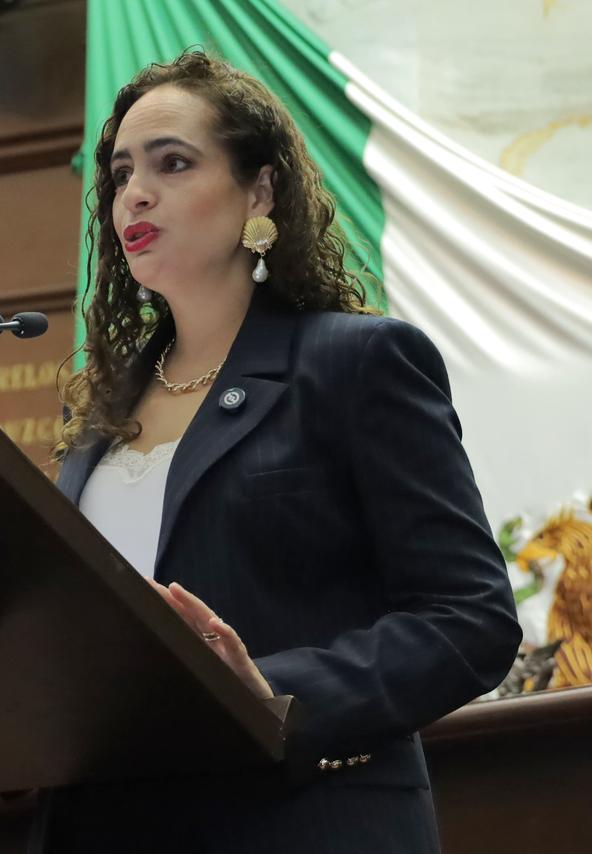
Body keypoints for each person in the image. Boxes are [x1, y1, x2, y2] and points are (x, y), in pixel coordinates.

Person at [35, 51, 521, 853]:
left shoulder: (354, 364)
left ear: (259, 192)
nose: (135, 194)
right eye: (121, 174)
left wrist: (272, 692)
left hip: (301, 823)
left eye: (172, 163)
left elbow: (471, 618)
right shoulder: (97, 414)